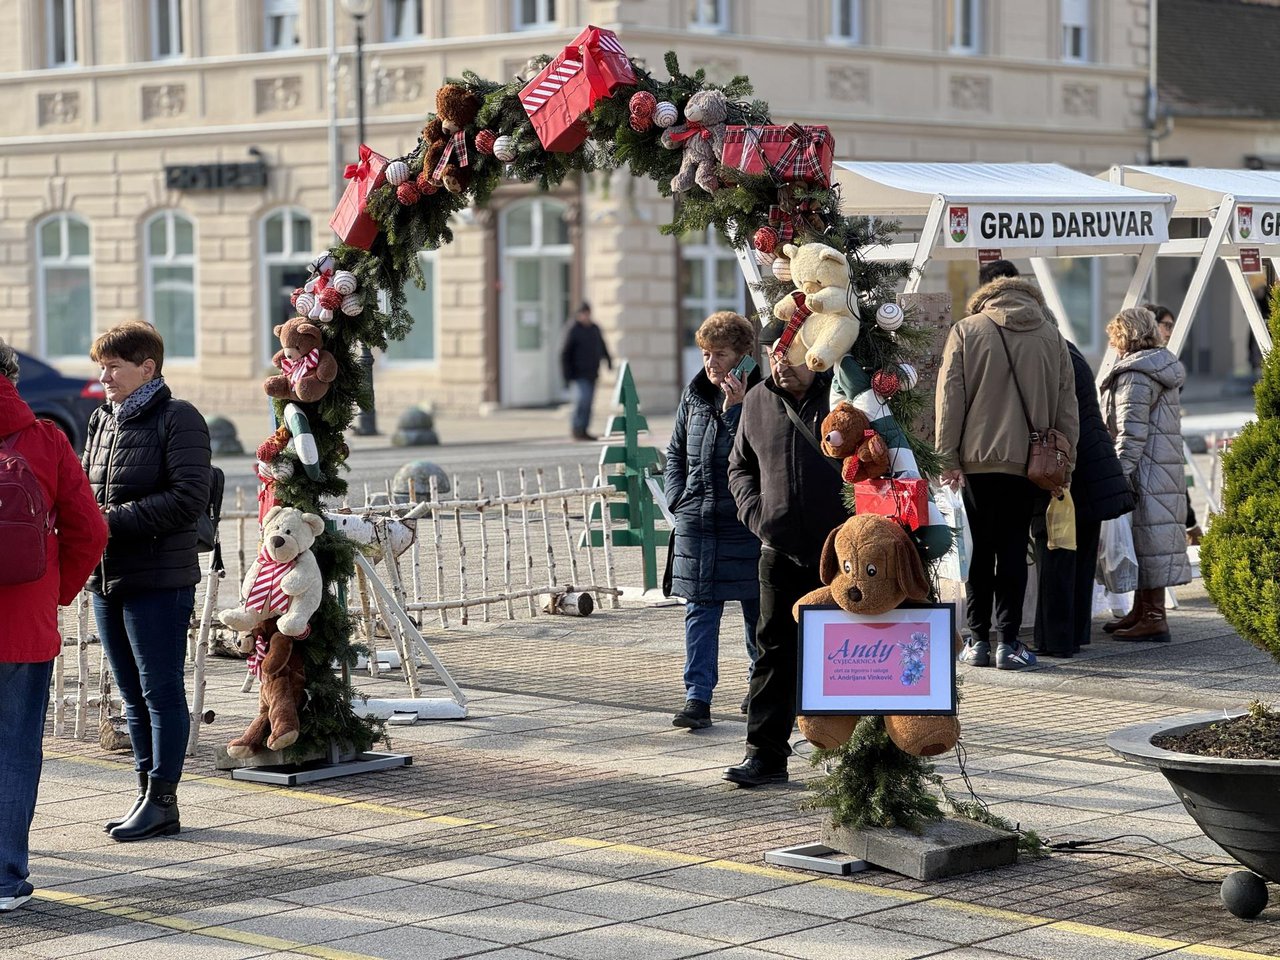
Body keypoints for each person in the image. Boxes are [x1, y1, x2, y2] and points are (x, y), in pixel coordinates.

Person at [83, 322, 211, 841]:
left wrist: (107, 519)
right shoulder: (102, 421)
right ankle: (144, 792)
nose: (104, 376)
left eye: (114, 366)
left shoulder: (179, 419)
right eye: (102, 366)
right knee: (131, 695)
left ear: (147, 368)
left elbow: (187, 499)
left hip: (159, 577)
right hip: (107, 577)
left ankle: (164, 799)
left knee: (160, 692)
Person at [0, 340, 107, 912]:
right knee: (15, 751)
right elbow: (90, 532)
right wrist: (56, 594)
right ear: (12, 376)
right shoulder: (45, 440)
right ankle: (5, 879)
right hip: (23, 629)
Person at [936, 272, 1078, 670]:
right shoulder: (1051, 335)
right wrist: (1067, 464)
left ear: (987, 297)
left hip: (977, 459)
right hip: (1029, 462)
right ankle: (1010, 642)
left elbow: (950, 397)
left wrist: (946, 457)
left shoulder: (967, 330)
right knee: (1014, 549)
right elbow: (1068, 406)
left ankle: (979, 641)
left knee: (980, 549)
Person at [724, 349, 846, 786]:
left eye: (790, 356)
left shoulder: (842, 393)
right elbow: (739, 467)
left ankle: (851, 758)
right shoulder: (758, 398)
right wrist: (758, 516)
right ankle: (765, 754)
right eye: (774, 356)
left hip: (841, 552)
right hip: (777, 548)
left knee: (845, 653)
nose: (781, 365)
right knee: (773, 650)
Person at [664, 312, 763, 729]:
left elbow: (759, 457)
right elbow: (674, 453)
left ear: (743, 356)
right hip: (698, 523)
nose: (711, 363)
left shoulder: (762, 397)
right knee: (700, 612)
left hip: (744, 525)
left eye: (720, 354)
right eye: (706, 354)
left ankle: (760, 689)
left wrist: (737, 409)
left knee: (756, 612)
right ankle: (697, 698)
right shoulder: (695, 396)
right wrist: (677, 499)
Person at [1031, 340, 1135, 656]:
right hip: (1094, 465)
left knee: (1056, 553)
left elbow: (1057, 418)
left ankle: (1056, 641)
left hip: (1069, 468)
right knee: (1079, 555)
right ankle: (1075, 634)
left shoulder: (1048, 354)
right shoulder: (1070, 350)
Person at [1098, 307, 1192, 642]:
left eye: (1114, 337)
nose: (1112, 345)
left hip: (1145, 472)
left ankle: (1153, 617)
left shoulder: (1136, 374)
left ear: (1126, 336)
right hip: (1160, 468)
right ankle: (1142, 610)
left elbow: (1131, 433)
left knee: (1149, 542)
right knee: (1146, 542)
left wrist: (1118, 477)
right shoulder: (1156, 366)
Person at [1146, 302, 1202, 545]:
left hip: (1165, 440)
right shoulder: (1149, 363)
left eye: (1172, 326)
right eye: (1166, 325)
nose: (1169, 331)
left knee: (1176, 488)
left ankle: (1190, 528)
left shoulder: (1166, 362)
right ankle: (1190, 529)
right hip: (1152, 444)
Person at [559, 303, 613, 441]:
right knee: (581, 400)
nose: (586, 316)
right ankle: (576, 428)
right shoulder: (573, 330)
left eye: (588, 313)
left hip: (592, 372)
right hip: (578, 374)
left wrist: (608, 360)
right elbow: (565, 353)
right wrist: (566, 375)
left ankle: (584, 429)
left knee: (588, 403)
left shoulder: (594, 328)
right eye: (584, 313)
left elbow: (602, 345)